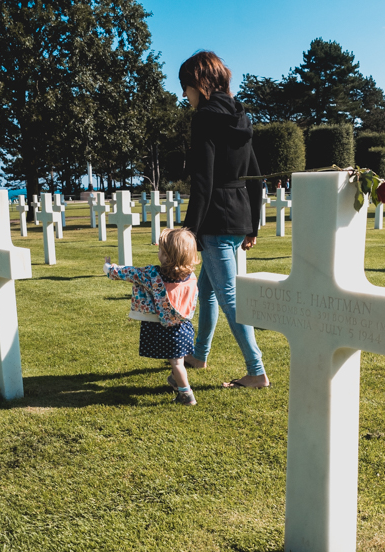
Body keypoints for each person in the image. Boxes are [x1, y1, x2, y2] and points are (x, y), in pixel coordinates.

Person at [179, 50, 270, 389]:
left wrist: (189, 231)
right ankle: (200, 354)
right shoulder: (241, 117)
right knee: (208, 289)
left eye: (185, 86)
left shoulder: (203, 118)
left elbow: (202, 181)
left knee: (228, 295)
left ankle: (256, 371)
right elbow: (256, 176)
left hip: (215, 220)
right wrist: (253, 225)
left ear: (201, 86)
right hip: (238, 217)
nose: (183, 95)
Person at [104, 227, 200, 405]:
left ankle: (186, 394)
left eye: (161, 251)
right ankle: (174, 379)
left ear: (167, 256)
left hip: (163, 327)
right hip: (183, 327)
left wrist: (109, 268)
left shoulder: (151, 275)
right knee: (178, 360)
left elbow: (128, 273)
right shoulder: (191, 276)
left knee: (177, 363)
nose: (159, 253)